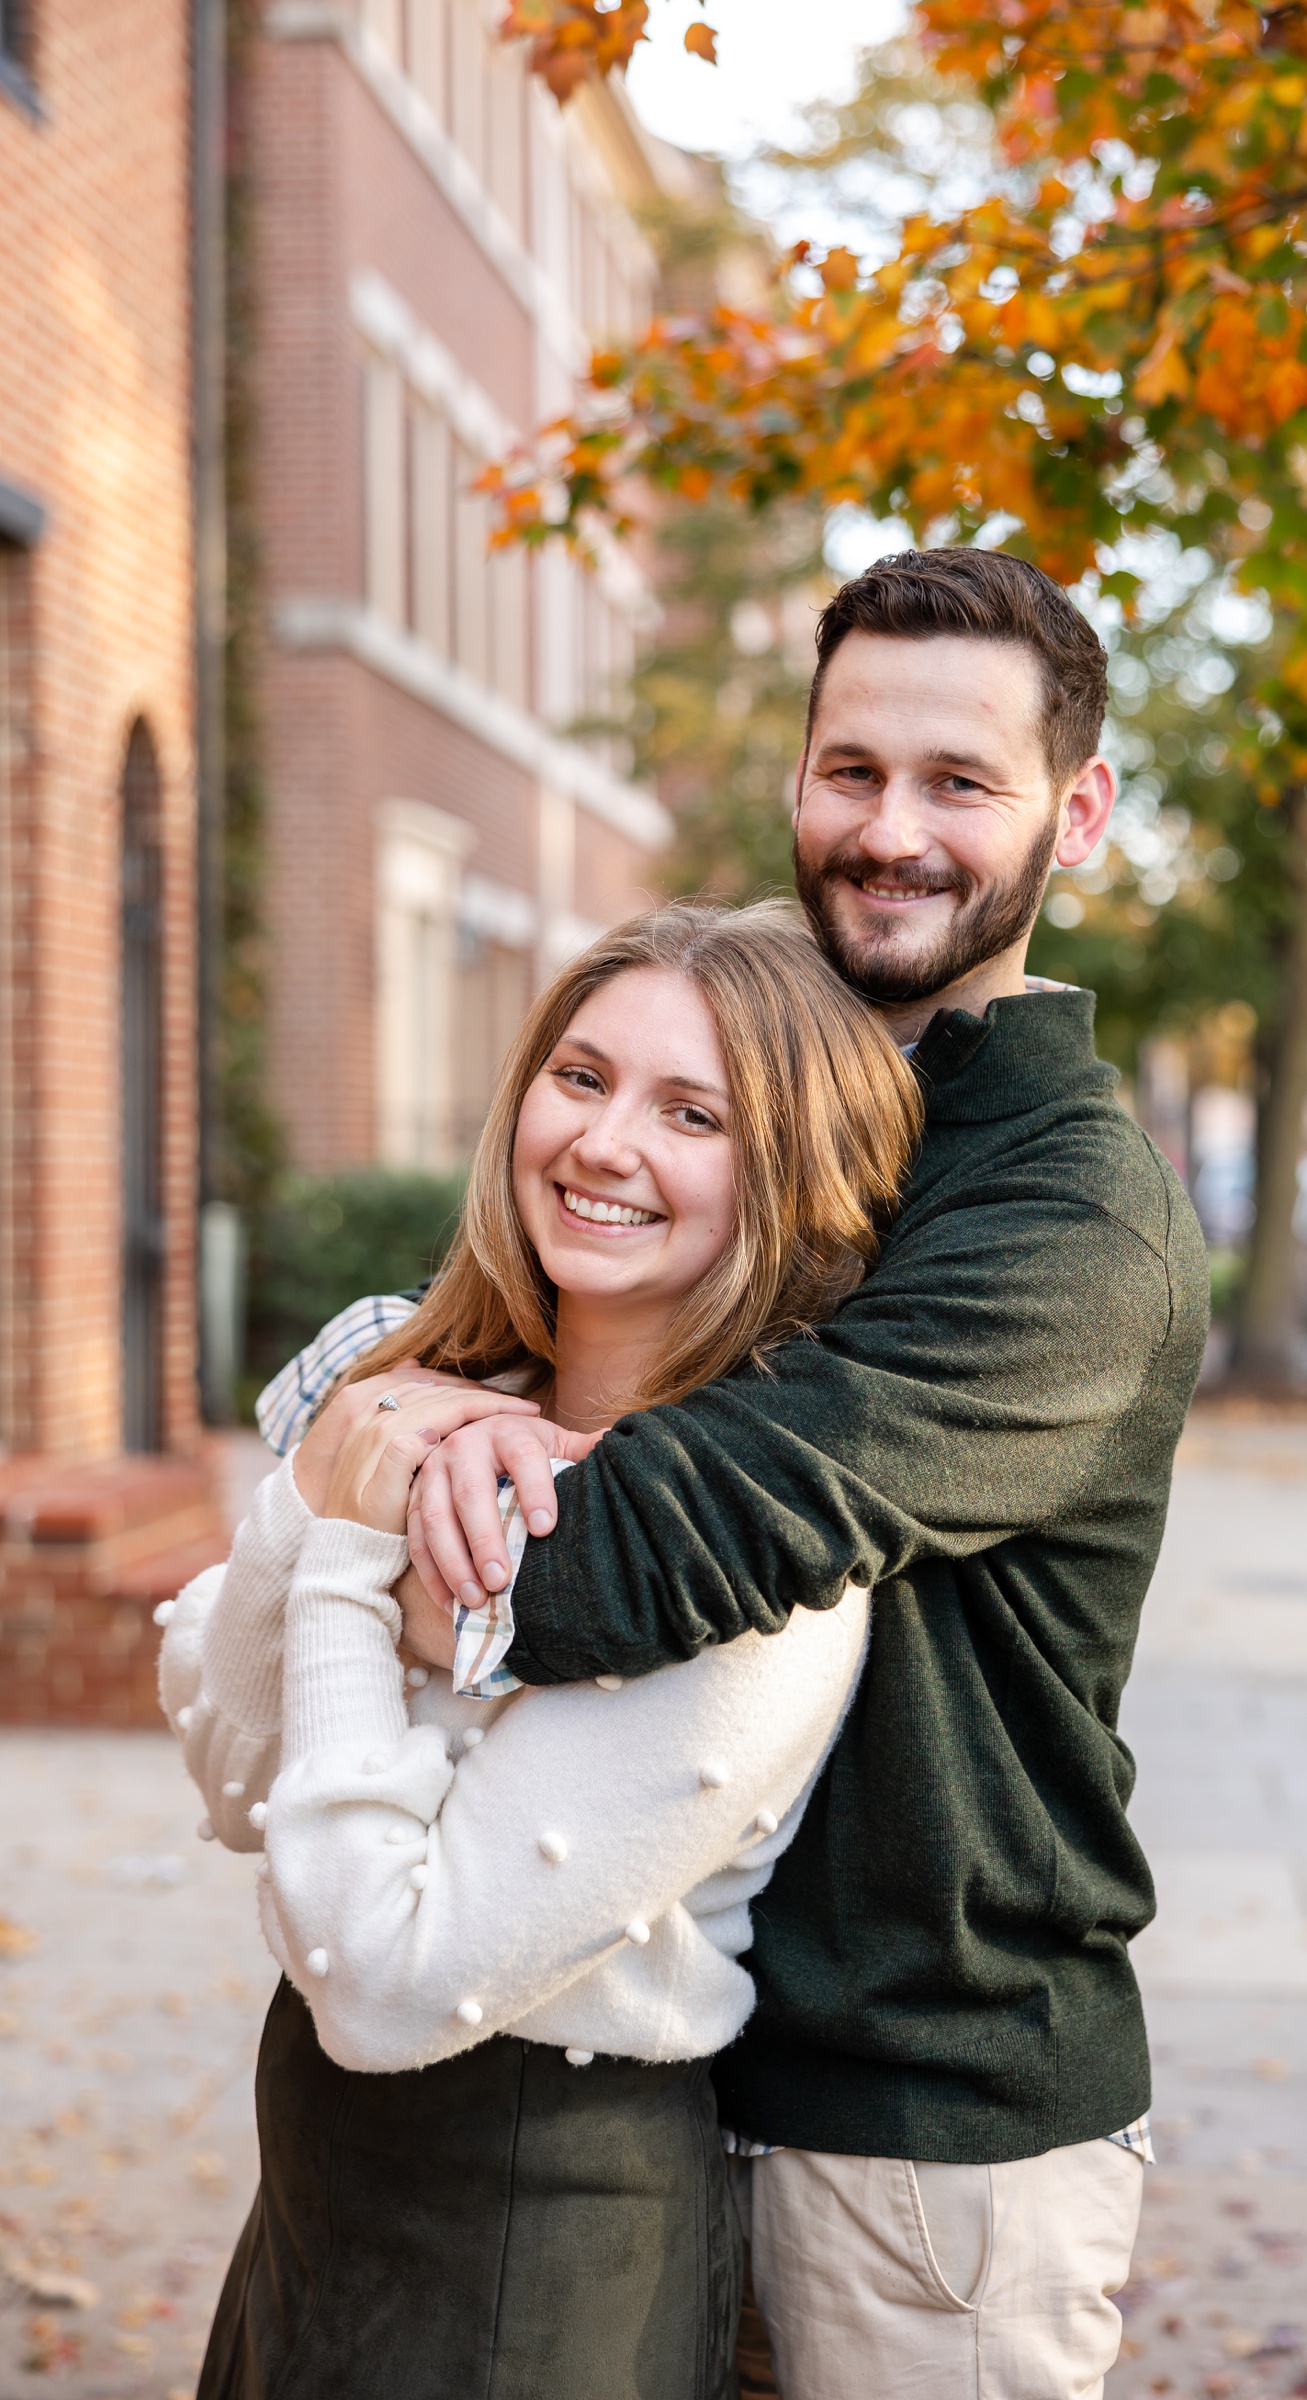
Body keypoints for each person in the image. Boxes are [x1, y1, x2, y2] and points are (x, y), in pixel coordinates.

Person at [391, 548, 1213, 2400]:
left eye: (960, 783)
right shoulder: (811, 1114)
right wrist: (376, 1414)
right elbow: (466, 1322)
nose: (890, 831)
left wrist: (372, 1508)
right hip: (692, 2090)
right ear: (797, 779)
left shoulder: (1072, 1215)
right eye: (853, 771)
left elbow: (663, 1540)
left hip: (930, 2136)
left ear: (1074, 812)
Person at [159, 901, 922, 2400]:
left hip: (544, 2235)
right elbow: (233, 1767)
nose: (602, 1142)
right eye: (580, 1077)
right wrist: (332, 1483)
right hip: (315, 2204)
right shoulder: (419, 1387)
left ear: (785, 1176)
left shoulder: (761, 1555)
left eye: (690, 1112)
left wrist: (351, 1565)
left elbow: (382, 1978)